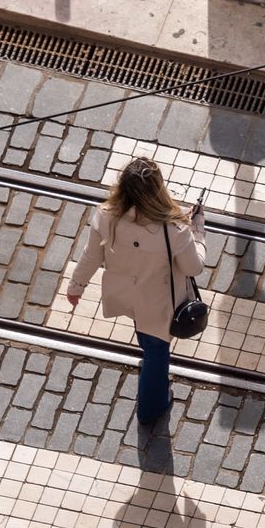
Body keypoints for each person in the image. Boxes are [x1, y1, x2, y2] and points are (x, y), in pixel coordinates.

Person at [63, 157, 209, 427]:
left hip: (125, 293)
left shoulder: (106, 216)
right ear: (158, 189)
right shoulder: (175, 230)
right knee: (157, 350)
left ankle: (150, 373)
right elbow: (194, 267)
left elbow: (91, 256)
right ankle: (151, 409)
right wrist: (197, 233)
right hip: (158, 302)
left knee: (146, 335)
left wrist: (76, 286)